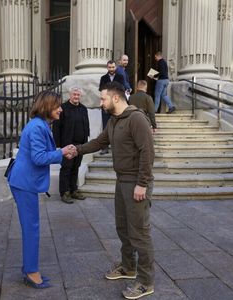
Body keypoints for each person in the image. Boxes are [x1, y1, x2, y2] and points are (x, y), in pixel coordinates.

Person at [76, 82, 155, 300]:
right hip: (122, 181)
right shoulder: (114, 120)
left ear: (116, 99)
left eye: (103, 99)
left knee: (139, 232)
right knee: (123, 227)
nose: (101, 103)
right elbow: (100, 142)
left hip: (136, 183)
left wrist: (142, 183)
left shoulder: (137, 119)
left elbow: (147, 152)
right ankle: (129, 267)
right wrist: (77, 150)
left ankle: (146, 281)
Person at [7, 90, 76, 288]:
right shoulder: (37, 127)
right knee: (32, 228)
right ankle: (30, 272)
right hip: (24, 183)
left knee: (32, 227)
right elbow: (38, 158)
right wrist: (61, 152)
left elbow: (41, 153)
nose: (61, 109)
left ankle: (30, 268)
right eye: (57, 106)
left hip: (24, 181)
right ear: (47, 106)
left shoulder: (40, 124)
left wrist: (59, 152)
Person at [53, 87, 90, 204]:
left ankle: (73, 189)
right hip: (67, 145)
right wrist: (58, 145)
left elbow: (86, 125)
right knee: (66, 168)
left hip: (80, 145)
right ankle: (64, 192)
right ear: (70, 95)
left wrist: (86, 140)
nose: (76, 97)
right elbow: (57, 128)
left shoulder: (83, 109)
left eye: (78, 95)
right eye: (74, 94)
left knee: (76, 167)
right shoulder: (63, 108)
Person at [99, 60, 125, 154]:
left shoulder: (120, 77)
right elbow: (101, 89)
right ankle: (105, 147)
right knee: (106, 126)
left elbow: (122, 88)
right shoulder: (103, 78)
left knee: (119, 126)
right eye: (109, 67)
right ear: (107, 68)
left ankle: (118, 147)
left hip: (117, 105)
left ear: (115, 67)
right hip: (106, 105)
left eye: (113, 67)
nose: (111, 69)